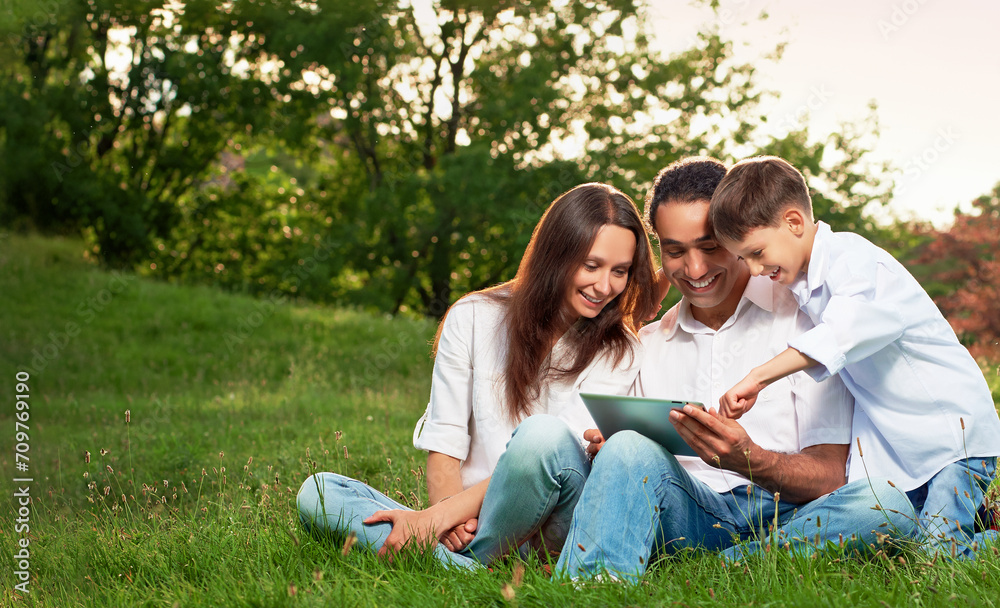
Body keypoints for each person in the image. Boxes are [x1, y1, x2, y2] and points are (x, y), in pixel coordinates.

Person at [555, 157, 915, 582]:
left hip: (788, 515)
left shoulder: (807, 325)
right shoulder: (648, 345)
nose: (694, 270)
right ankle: (593, 588)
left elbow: (831, 475)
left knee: (884, 504)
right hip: (689, 516)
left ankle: (722, 571)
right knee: (626, 448)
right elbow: (635, 472)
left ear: (737, 234)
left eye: (710, 247)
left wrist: (749, 460)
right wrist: (613, 452)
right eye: (675, 251)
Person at [297, 183, 659, 568]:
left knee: (542, 436)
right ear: (556, 254)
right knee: (318, 491)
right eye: (591, 266)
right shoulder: (471, 317)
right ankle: (465, 565)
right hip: (467, 522)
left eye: (619, 272)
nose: (605, 286)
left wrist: (433, 520)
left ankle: (443, 557)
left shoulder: (621, 349)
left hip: (551, 530)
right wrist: (449, 519)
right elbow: (445, 443)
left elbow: (555, 462)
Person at [709, 155, 1000, 557]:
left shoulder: (856, 262)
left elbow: (842, 334)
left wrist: (759, 377)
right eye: (744, 259)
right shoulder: (804, 277)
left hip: (954, 435)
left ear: (794, 223)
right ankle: (979, 521)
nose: (755, 269)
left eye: (757, 252)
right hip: (904, 443)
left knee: (940, 558)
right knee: (899, 545)